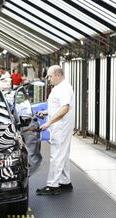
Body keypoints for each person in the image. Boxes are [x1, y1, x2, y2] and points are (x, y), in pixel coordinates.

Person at [35, 65, 75, 195]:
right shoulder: (59, 88)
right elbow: (57, 107)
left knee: (56, 155)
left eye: (50, 76)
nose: (49, 79)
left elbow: (65, 108)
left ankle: (52, 186)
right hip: (59, 125)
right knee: (62, 154)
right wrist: (46, 112)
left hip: (61, 126)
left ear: (58, 75)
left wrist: (48, 122)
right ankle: (65, 182)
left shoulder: (64, 88)